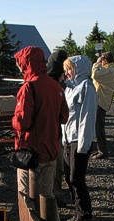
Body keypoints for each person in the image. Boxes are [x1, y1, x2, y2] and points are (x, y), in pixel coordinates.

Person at [12, 46, 69, 221]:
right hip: (50, 150)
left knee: (26, 199)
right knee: (48, 197)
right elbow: (64, 117)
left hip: (30, 154)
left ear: (26, 63)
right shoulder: (55, 86)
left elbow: (22, 122)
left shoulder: (28, 88)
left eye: (20, 64)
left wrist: (14, 118)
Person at [62, 55, 97, 221]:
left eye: (70, 68)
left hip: (79, 139)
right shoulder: (69, 88)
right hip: (68, 139)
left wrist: (83, 144)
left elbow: (87, 117)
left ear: (79, 68)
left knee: (77, 177)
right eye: (66, 69)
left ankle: (85, 214)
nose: (67, 72)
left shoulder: (86, 86)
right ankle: (78, 211)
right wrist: (63, 138)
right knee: (69, 177)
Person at [47, 49, 68, 208]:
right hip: (55, 133)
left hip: (49, 134)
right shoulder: (59, 88)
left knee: (52, 168)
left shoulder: (40, 86)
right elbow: (64, 115)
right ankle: (53, 196)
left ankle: (51, 197)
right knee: (55, 167)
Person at [91, 51, 114, 159]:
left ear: (105, 61)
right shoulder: (110, 70)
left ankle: (102, 151)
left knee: (99, 128)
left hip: (101, 102)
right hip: (102, 101)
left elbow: (95, 75)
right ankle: (101, 149)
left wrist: (96, 63)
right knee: (98, 127)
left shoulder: (108, 71)